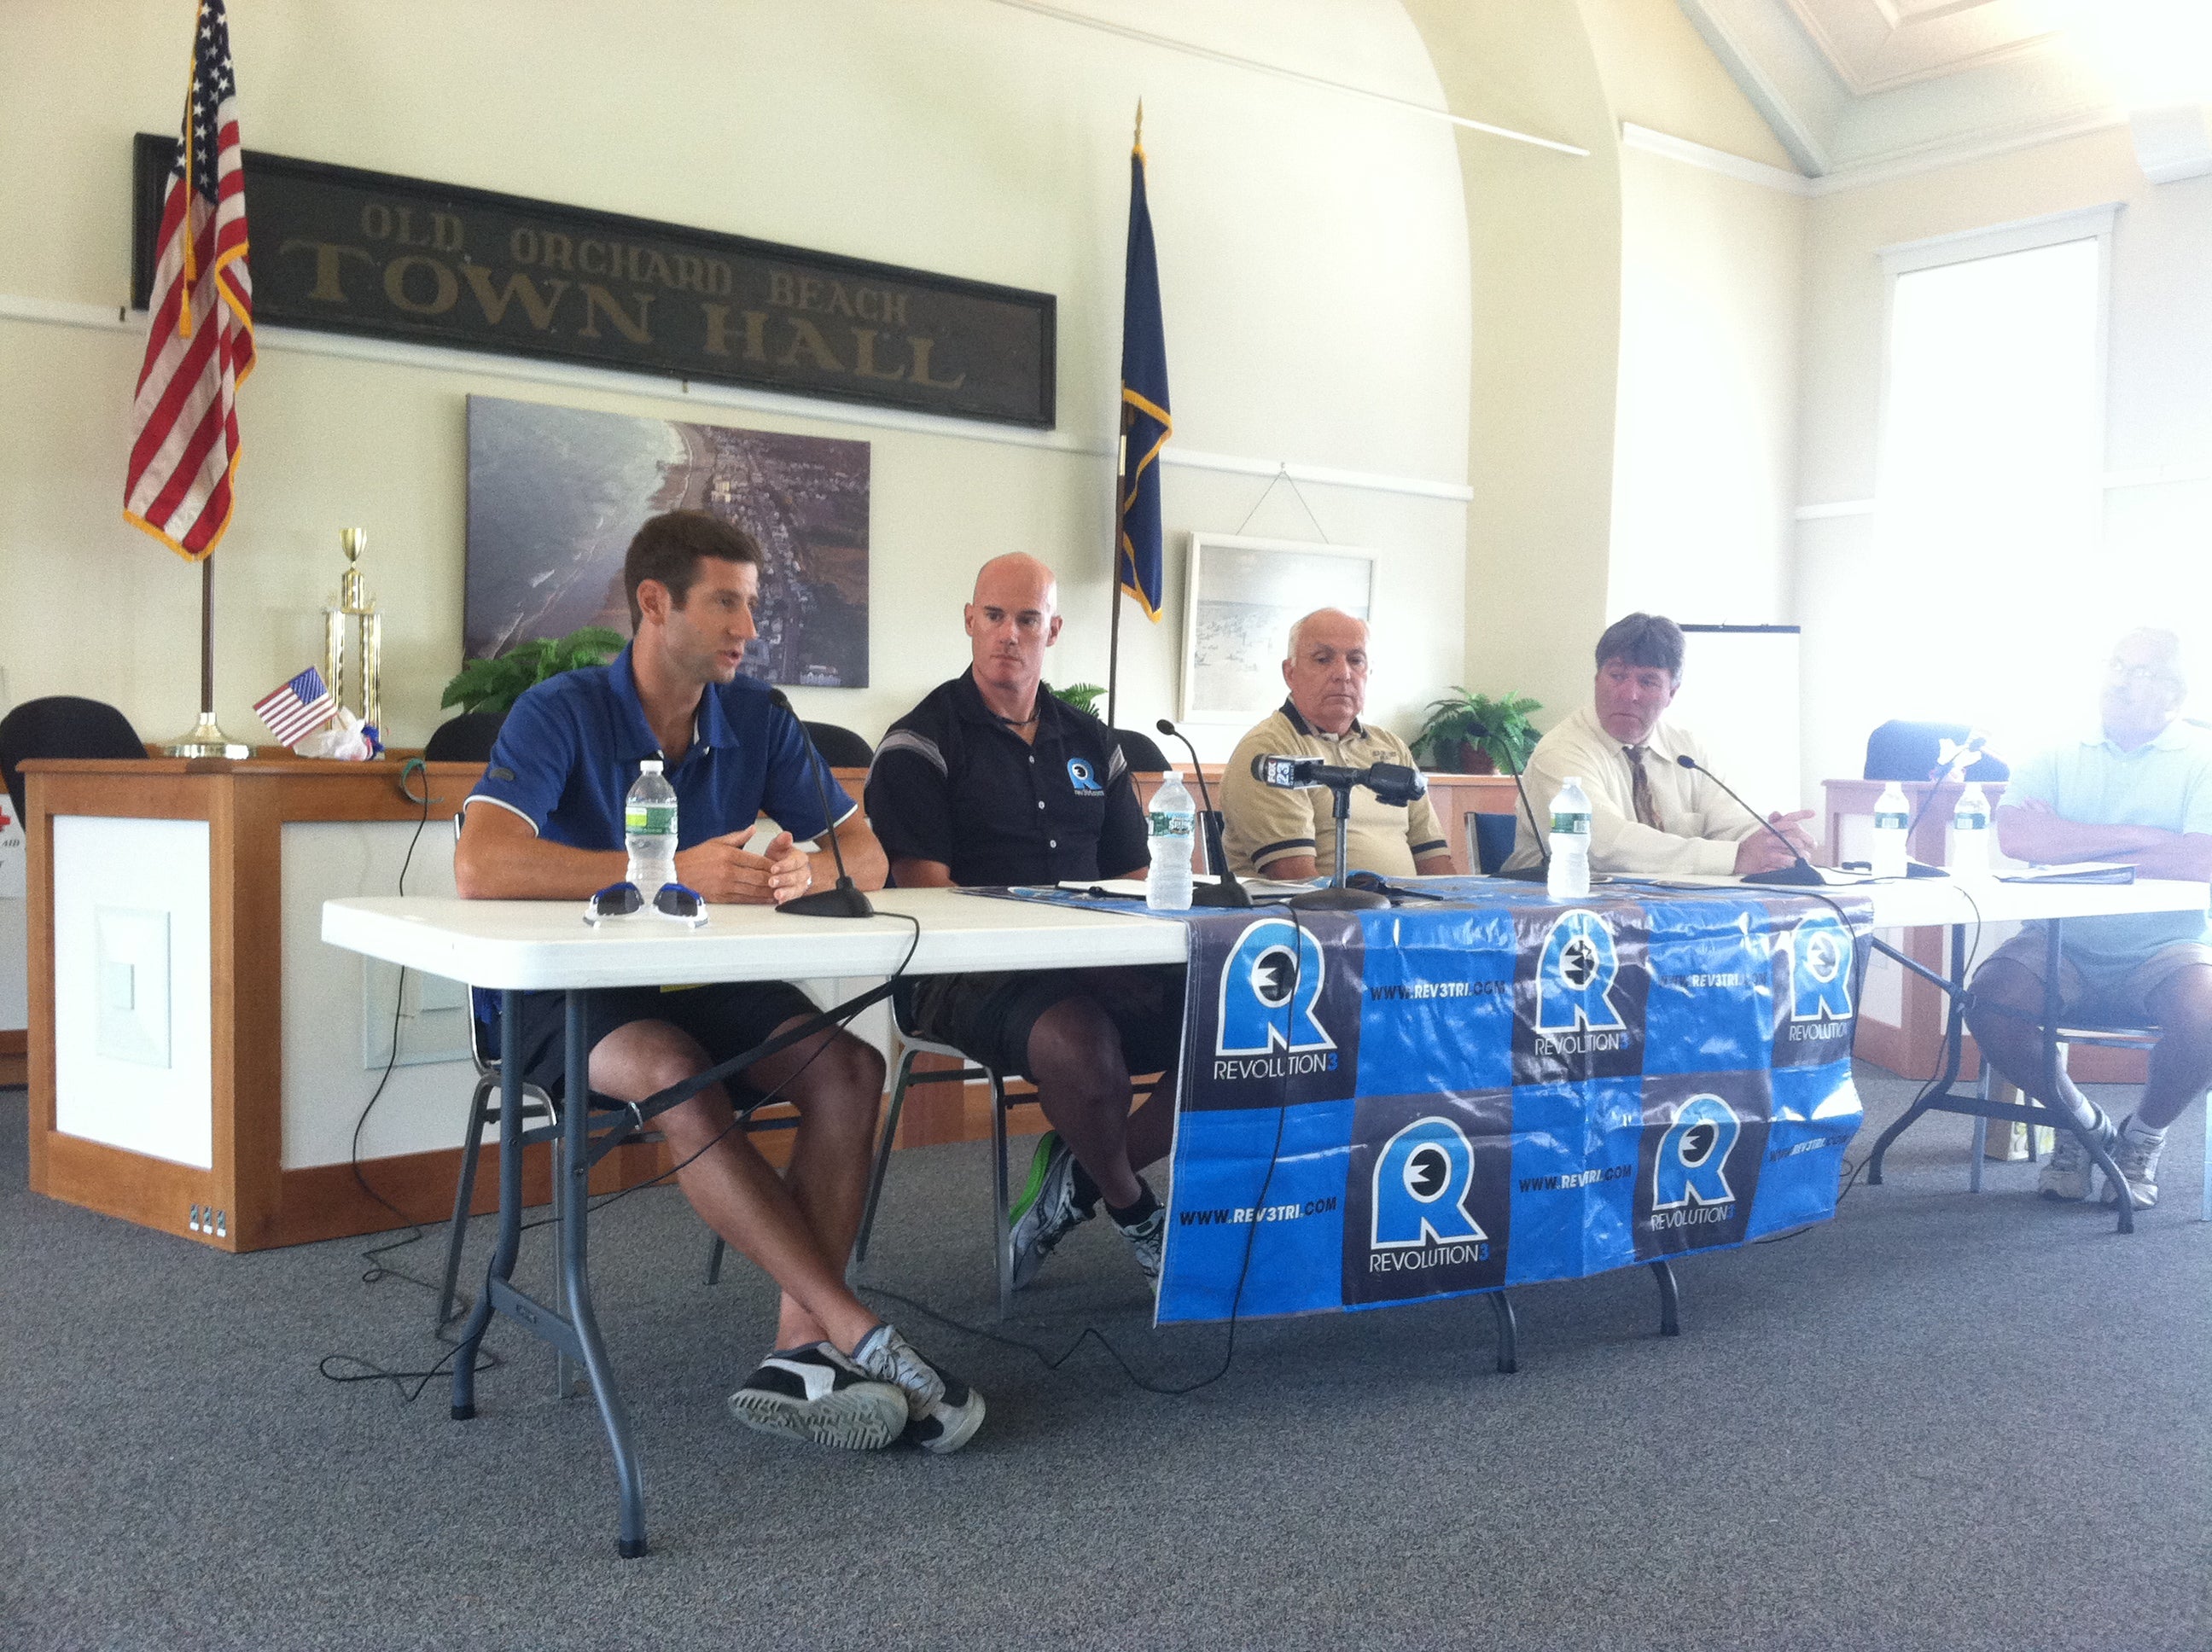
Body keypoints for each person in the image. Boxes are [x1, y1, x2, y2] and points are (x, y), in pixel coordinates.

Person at [453, 509, 983, 1455]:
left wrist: (807, 872)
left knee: (850, 1070)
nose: (749, 626)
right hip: (563, 999)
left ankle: (798, 1350)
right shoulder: (559, 710)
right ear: (655, 604)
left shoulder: (758, 716)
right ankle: (854, 1327)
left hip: (700, 978)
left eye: (754, 603)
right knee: (674, 1069)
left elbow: (863, 850)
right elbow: (482, 864)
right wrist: (655, 874)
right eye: (728, 603)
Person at [865, 553, 1179, 1290]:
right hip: (961, 971)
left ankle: (1081, 1173)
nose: (1010, 633)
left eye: (1028, 618)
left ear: (1054, 629)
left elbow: (1132, 873)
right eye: (996, 616)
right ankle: (1134, 1206)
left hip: (1096, 955)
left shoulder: (1093, 741)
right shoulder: (921, 742)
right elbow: (928, 901)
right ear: (970, 621)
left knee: (1241, 1024)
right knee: (1081, 1042)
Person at [1964, 628, 2212, 1209]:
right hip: (2057, 938)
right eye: (2116, 665)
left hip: (2166, 944)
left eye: (2141, 672)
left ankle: (2141, 1139)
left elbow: (2202, 857)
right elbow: (2018, 835)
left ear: (2176, 692)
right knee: (1989, 1003)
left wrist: (2071, 839)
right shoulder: (2053, 750)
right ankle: (2081, 1125)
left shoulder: (2204, 758)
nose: (2121, 681)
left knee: (2207, 1018)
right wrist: (2146, 840)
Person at [1503, 612, 1815, 876]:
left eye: (1648, 681)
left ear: (1672, 693)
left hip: (1665, 914)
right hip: (1558, 922)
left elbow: (1729, 822)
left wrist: (1773, 843)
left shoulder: (1685, 749)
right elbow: (1603, 846)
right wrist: (1736, 858)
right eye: (1617, 676)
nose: (1629, 694)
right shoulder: (1561, 751)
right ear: (1597, 679)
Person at [1218, 608, 1454, 881]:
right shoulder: (1269, 750)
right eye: (1323, 659)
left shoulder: (1391, 746)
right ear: (1290, 673)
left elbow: (1436, 864)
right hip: (1323, 920)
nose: (1343, 673)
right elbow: (1296, 878)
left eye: (1356, 660)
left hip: (1407, 915)